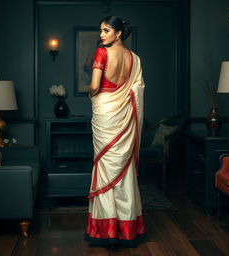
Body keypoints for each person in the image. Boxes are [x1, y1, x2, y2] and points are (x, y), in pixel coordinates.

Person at [85, 15, 146, 247]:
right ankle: (127, 227)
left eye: (106, 30)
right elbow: (136, 90)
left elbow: (94, 85)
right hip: (123, 118)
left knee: (104, 167)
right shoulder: (135, 59)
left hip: (105, 115)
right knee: (124, 168)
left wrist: (93, 96)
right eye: (100, 30)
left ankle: (107, 231)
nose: (101, 35)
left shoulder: (102, 53)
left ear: (118, 33)